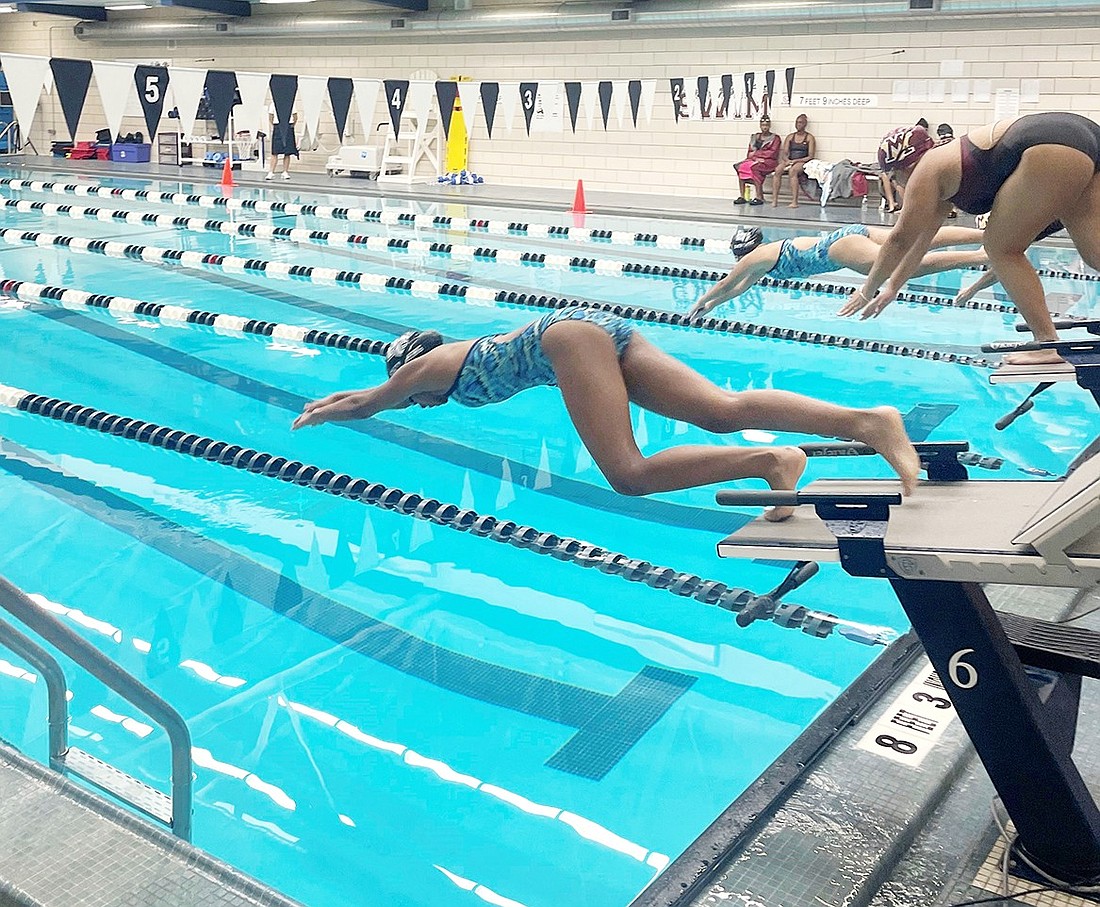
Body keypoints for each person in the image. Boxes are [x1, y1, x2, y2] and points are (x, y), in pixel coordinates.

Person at [292, 307, 921, 520]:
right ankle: (865, 422)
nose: (419, 406)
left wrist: (323, 410)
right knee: (721, 410)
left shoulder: (422, 372)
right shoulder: (446, 360)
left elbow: (366, 403)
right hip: (594, 331)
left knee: (628, 473)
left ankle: (770, 459)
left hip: (571, 341)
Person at [839, 113, 1100, 366]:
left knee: (1000, 248)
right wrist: (892, 287)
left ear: (904, 165)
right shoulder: (942, 173)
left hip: (1049, 143)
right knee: (1095, 254)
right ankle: (1046, 342)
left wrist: (866, 290)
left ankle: (1046, 344)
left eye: (894, 176)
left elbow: (899, 239)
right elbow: (920, 243)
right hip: (1085, 137)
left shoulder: (925, 170)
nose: (896, 183)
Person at [687, 223, 988, 318]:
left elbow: (728, 282)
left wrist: (701, 300)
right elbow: (739, 288)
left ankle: (978, 255)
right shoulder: (760, 259)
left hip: (837, 250)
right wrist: (711, 306)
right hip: (845, 236)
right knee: (913, 237)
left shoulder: (754, 258)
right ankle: (984, 234)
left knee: (904, 267)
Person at [771, 114, 817, 208]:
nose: (798, 125)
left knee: (793, 171)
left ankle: (794, 201)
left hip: (803, 161)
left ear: (805, 124)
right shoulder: (790, 137)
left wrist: (797, 161)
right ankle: (775, 199)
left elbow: (810, 156)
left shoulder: (809, 138)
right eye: (797, 122)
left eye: (800, 123)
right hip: (791, 160)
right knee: (778, 170)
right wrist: (787, 160)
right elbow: (784, 153)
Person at [734, 115, 781, 206]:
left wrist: (756, 155)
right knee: (739, 166)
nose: (765, 127)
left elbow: (772, 153)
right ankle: (742, 196)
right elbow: (749, 152)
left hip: (768, 161)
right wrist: (754, 157)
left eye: (766, 125)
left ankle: (759, 196)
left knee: (755, 168)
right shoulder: (754, 137)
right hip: (754, 160)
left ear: (769, 125)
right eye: (763, 125)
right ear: (760, 125)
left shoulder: (775, 138)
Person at [265, 103, 298, 181]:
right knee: (275, 151)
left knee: (287, 151)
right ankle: (271, 172)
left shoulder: (291, 103)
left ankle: (285, 171)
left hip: (288, 126)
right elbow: (271, 117)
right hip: (278, 126)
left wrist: (292, 125)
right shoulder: (273, 104)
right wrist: (275, 126)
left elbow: (295, 116)